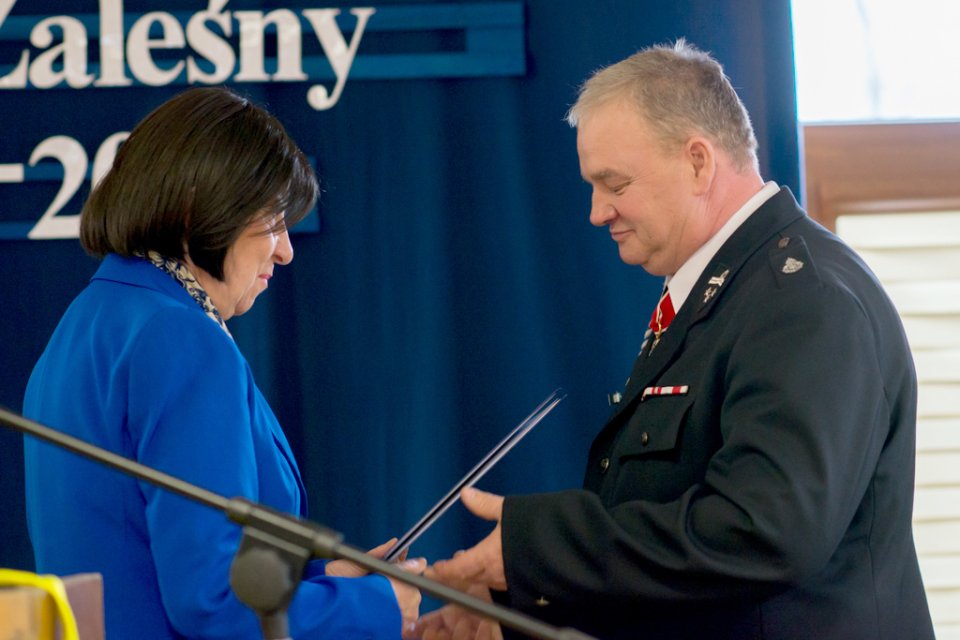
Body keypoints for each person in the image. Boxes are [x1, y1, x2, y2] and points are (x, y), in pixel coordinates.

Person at [414, 40, 935, 640]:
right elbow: (685, 544)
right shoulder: (731, 291)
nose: (596, 211)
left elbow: (764, 533)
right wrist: (521, 615)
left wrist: (539, 549)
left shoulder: (803, 301)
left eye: (614, 183)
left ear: (697, 162)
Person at [23, 86, 423, 639]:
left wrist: (331, 581)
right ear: (199, 206)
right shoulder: (180, 338)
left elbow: (143, 556)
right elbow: (212, 603)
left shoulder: (87, 324)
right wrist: (376, 607)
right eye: (273, 219)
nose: (285, 249)